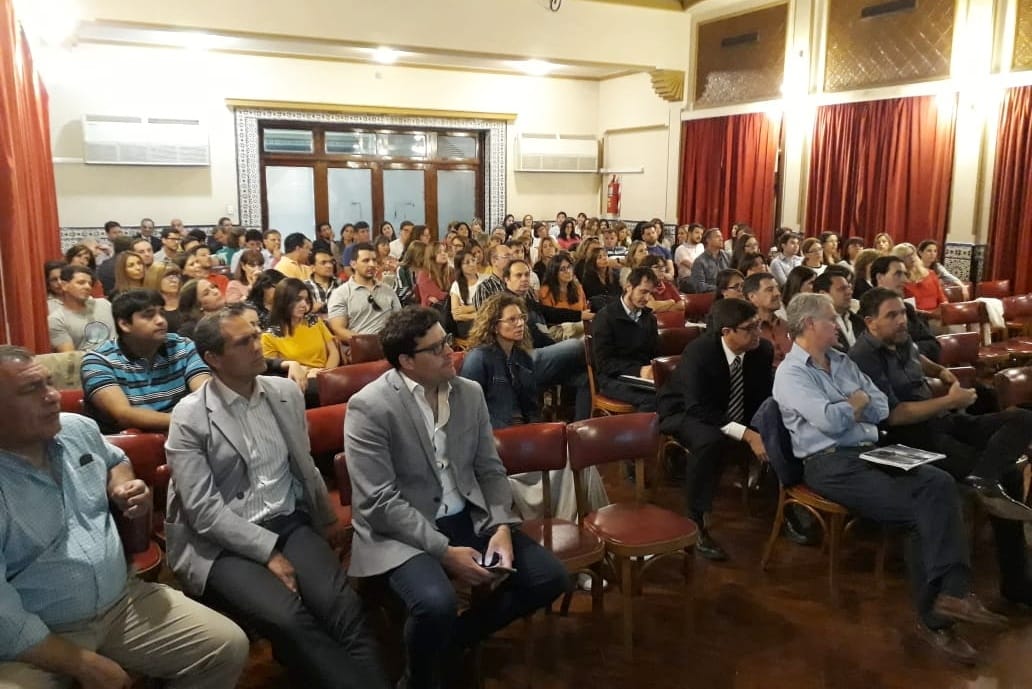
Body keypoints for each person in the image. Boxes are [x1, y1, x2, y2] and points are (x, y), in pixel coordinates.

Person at [163, 306, 388, 689]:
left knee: (344, 607)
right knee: (289, 618)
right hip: (223, 541)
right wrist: (268, 553)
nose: (257, 346)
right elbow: (203, 512)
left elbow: (304, 465)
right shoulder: (190, 416)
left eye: (256, 336)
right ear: (213, 358)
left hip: (288, 519)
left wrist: (325, 519)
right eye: (243, 342)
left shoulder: (283, 393)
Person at [344, 306, 569, 689]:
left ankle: (453, 643)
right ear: (406, 361)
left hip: (466, 513)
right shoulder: (370, 406)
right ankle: (417, 679)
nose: (450, 351)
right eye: (436, 348)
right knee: (435, 604)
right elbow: (378, 501)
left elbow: (489, 469)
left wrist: (500, 526)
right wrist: (444, 552)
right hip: (403, 527)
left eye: (446, 340)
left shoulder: (468, 392)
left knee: (549, 577)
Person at [775, 292, 1005, 664]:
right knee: (920, 511)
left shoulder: (840, 360)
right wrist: (855, 403)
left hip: (870, 450)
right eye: (831, 319)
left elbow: (881, 406)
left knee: (939, 481)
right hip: (828, 463)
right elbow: (830, 422)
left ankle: (952, 595)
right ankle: (939, 617)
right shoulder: (791, 374)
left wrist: (854, 406)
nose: (839, 325)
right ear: (809, 325)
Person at [0, 346, 249, 689]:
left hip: (121, 602)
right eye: (31, 389)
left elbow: (115, 459)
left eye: (49, 383)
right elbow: (5, 618)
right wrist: (80, 663)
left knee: (226, 646)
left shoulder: (76, 430)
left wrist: (122, 484)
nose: (52, 396)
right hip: (38, 633)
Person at [658, 298, 773, 561]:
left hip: (731, 413)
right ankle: (695, 519)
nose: (758, 332)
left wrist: (761, 429)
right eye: (750, 328)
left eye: (758, 325)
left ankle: (785, 509)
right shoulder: (700, 352)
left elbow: (762, 397)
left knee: (780, 432)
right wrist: (747, 434)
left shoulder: (761, 350)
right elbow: (697, 407)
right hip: (685, 411)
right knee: (709, 440)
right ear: (727, 332)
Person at [81, 290, 211, 433]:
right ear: (124, 324)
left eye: (162, 313)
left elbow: (205, 395)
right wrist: (189, 422)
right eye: (149, 315)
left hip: (183, 435)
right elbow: (124, 415)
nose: (161, 321)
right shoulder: (98, 361)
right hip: (127, 443)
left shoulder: (183, 346)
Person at [261, 278, 340, 407]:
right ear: (283, 301)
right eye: (298, 299)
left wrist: (325, 373)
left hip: (327, 375)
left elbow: (333, 351)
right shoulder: (269, 336)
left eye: (306, 300)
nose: (304, 305)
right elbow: (273, 372)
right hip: (300, 383)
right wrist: (309, 372)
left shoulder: (314, 321)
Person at [591, 267, 659, 411]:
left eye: (650, 293)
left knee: (676, 392)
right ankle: (644, 427)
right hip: (612, 378)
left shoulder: (649, 319)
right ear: (629, 286)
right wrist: (638, 371)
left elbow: (655, 353)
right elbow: (604, 364)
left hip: (642, 377)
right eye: (643, 292)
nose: (647, 298)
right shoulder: (605, 317)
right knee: (652, 399)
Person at [327, 241, 402, 343]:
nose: (372, 264)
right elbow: (338, 330)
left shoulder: (388, 290)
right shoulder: (340, 294)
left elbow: (399, 321)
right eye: (366, 260)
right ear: (353, 264)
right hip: (361, 346)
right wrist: (368, 342)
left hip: (390, 344)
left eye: (374, 260)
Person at [870, 255, 941, 362]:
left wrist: (907, 350)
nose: (905, 280)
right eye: (898, 274)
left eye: (905, 274)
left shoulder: (908, 309)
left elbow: (933, 346)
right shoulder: (868, 310)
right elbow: (880, 353)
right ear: (880, 277)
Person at [48, 265, 116, 353]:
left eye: (90, 283)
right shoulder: (57, 319)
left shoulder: (104, 304)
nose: (88, 287)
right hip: (89, 361)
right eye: (81, 283)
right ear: (64, 285)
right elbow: (70, 356)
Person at [742, 272, 791, 367]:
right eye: (770, 290)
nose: (778, 293)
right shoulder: (746, 331)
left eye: (777, 288)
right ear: (752, 297)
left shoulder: (787, 326)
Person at [814, 266, 865, 351]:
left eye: (849, 288)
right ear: (823, 294)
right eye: (842, 289)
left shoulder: (859, 321)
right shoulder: (816, 326)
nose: (849, 292)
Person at [894, 242, 947, 318]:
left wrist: (944, 311)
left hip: (937, 316)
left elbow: (942, 299)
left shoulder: (931, 274)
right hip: (916, 318)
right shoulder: (898, 281)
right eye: (907, 256)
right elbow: (906, 308)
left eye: (913, 254)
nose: (912, 258)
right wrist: (930, 315)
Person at [144, 261, 184, 333]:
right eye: (167, 276)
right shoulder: (148, 306)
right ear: (155, 279)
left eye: (176, 276)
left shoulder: (187, 300)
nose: (174, 280)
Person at [689, 228, 732, 293]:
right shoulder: (699, 261)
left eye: (721, 236)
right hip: (711, 295)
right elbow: (699, 286)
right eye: (717, 236)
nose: (721, 239)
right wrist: (720, 289)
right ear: (708, 240)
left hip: (729, 293)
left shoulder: (728, 257)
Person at [472, 242, 512, 309]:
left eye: (512, 256)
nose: (512, 259)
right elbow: (483, 314)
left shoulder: (517, 282)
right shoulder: (485, 288)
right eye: (507, 256)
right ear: (494, 260)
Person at [305, 247, 342, 314]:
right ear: (312, 268)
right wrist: (310, 309)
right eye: (323, 263)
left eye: (331, 262)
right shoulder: (304, 287)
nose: (329, 266)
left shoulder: (341, 284)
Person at [417, 241, 453, 308]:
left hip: (449, 306)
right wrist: (454, 296)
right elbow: (438, 294)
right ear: (431, 255)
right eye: (439, 252)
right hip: (430, 310)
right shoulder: (424, 274)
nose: (443, 254)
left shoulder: (451, 271)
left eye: (445, 251)